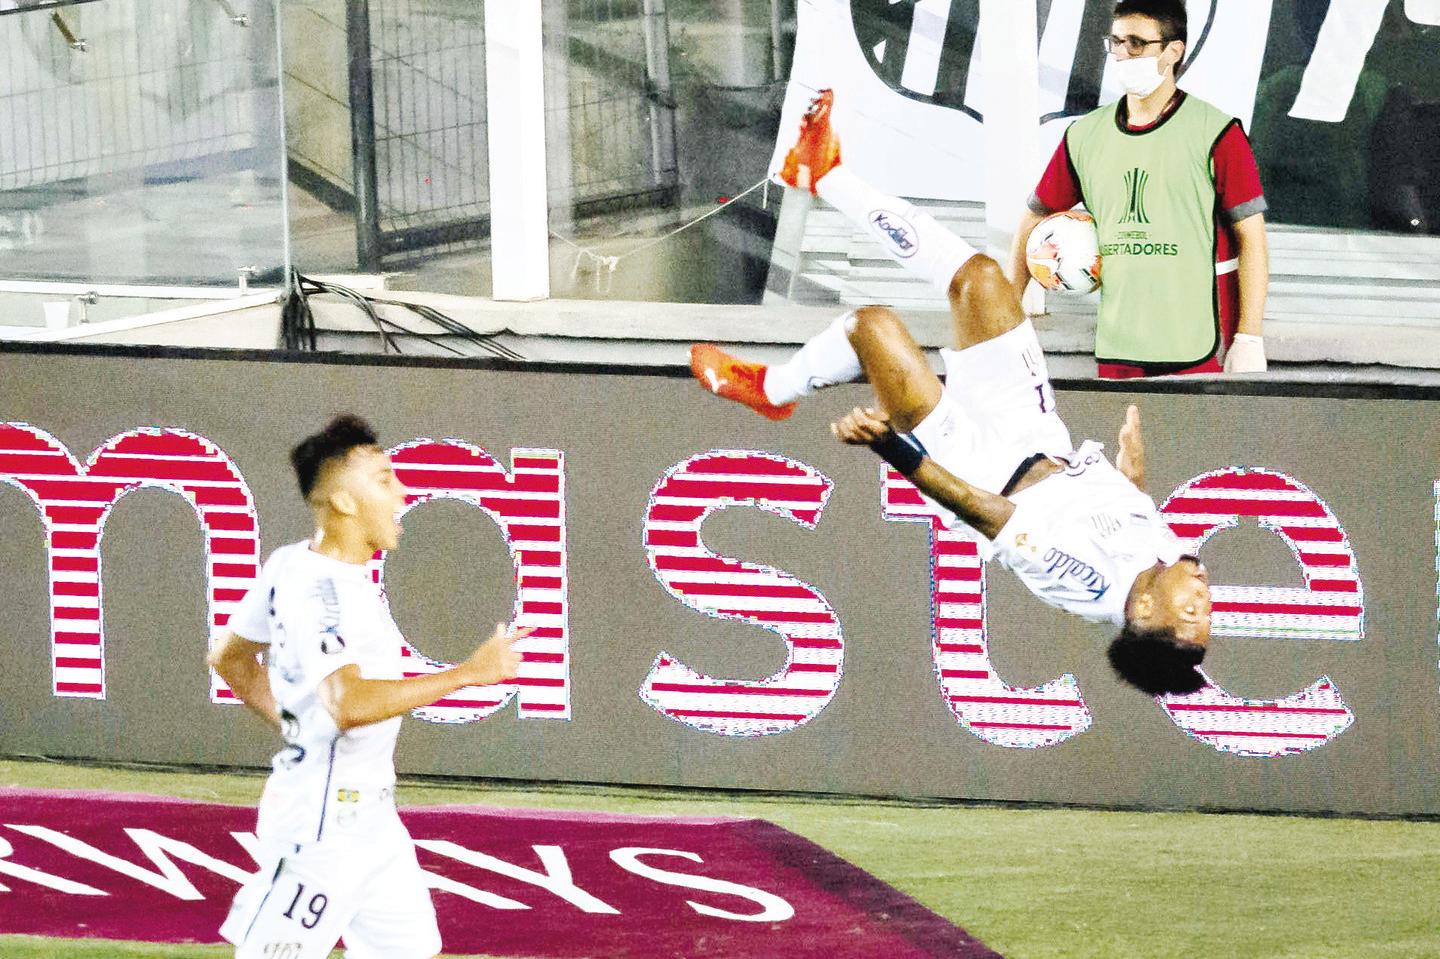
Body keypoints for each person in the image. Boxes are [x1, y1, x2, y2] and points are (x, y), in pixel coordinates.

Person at [691, 90, 1212, 696]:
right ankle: (821, 172)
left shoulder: (1087, 585)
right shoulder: (1169, 562)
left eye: (1194, 613)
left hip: (976, 465)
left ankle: (772, 389)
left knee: (871, 326)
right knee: (981, 280)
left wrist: (897, 448)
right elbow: (1125, 518)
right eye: (1208, 614)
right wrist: (1131, 476)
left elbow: (980, 509)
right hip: (1038, 433)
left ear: (1145, 613)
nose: (1206, 600)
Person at [207, 414, 527, 959]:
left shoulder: (292, 564)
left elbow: (230, 659)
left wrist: (297, 723)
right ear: (345, 503)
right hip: (322, 831)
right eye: (384, 480)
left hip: (372, 822)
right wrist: (470, 673)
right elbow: (347, 704)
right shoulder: (324, 594)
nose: (402, 492)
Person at [1008, 0, 1271, 378]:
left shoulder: (1218, 134)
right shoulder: (1084, 136)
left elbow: (1253, 239)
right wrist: (1004, 317)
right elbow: (1033, 219)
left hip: (1198, 350)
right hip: (1118, 348)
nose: (1122, 54)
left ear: (1173, 51)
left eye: (1136, 43)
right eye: (1115, 42)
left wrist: (1249, 338)